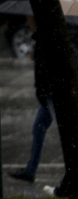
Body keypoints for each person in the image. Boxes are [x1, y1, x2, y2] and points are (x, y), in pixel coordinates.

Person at [8, 17, 53, 184]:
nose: (27, 23)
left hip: (49, 93)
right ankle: (30, 170)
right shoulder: (40, 38)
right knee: (38, 129)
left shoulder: (46, 37)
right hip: (46, 94)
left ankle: (72, 173)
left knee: (61, 133)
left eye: (29, 19)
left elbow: (46, 67)